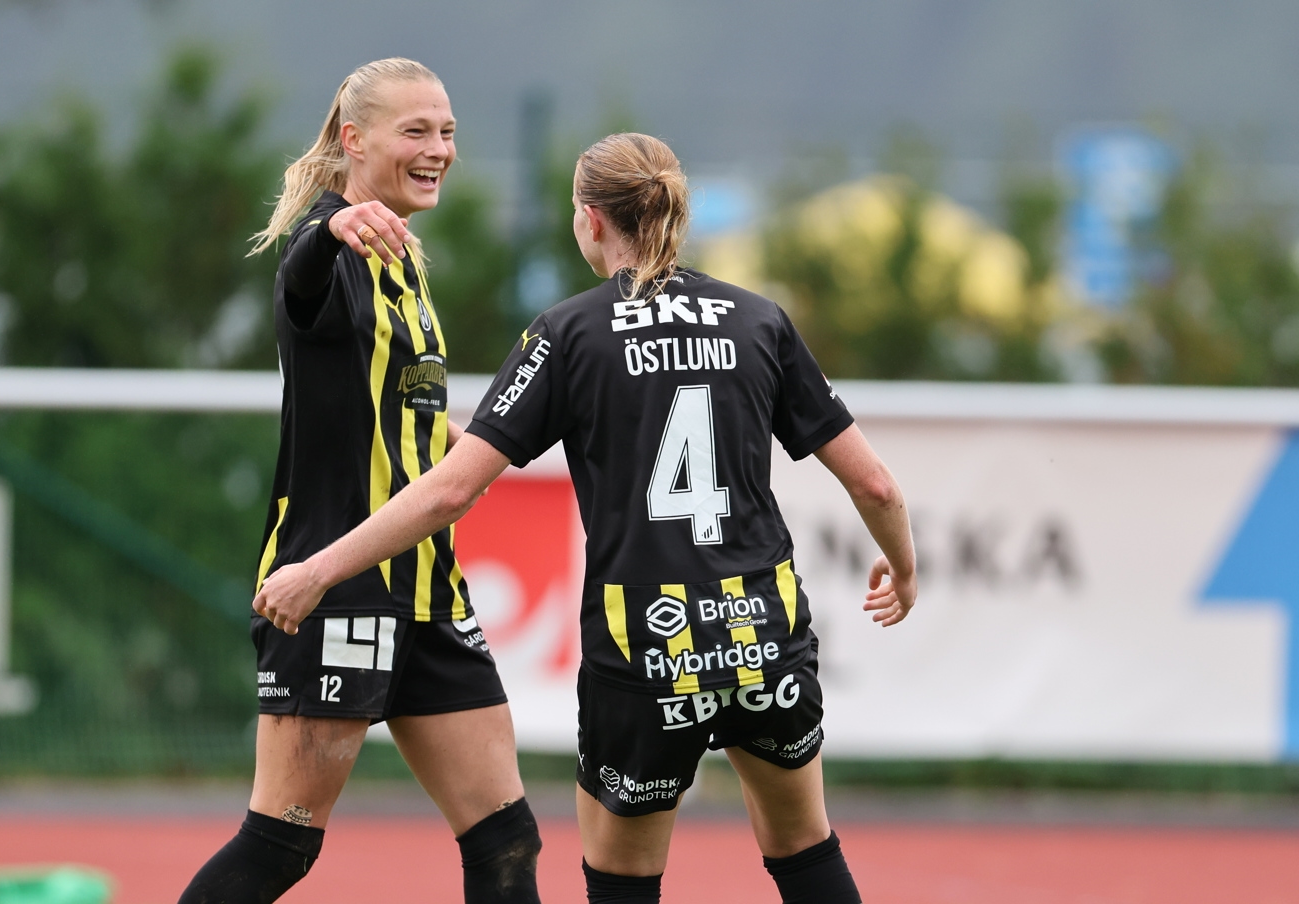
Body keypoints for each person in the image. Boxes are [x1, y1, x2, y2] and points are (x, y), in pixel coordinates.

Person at [255, 132, 918, 904]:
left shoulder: (568, 333)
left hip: (646, 647)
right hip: (761, 633)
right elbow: (874, 486)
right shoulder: (758, 321)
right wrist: (902, 570)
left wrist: (318, 569)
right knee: (806, 851)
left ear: (590, 222)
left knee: (623, 882)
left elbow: (446, 493)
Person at [179, 59, 542, 904]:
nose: (439, 149)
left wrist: (480, 443)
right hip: (334, 585)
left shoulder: (403, 255)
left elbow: (400, 406)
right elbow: (299, 285)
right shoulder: (335, 243)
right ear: (355, 140)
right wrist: (325, 233)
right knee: (279, 848)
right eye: (416, 130)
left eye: (447, 131)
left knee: (507, 841)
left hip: (428, 587)